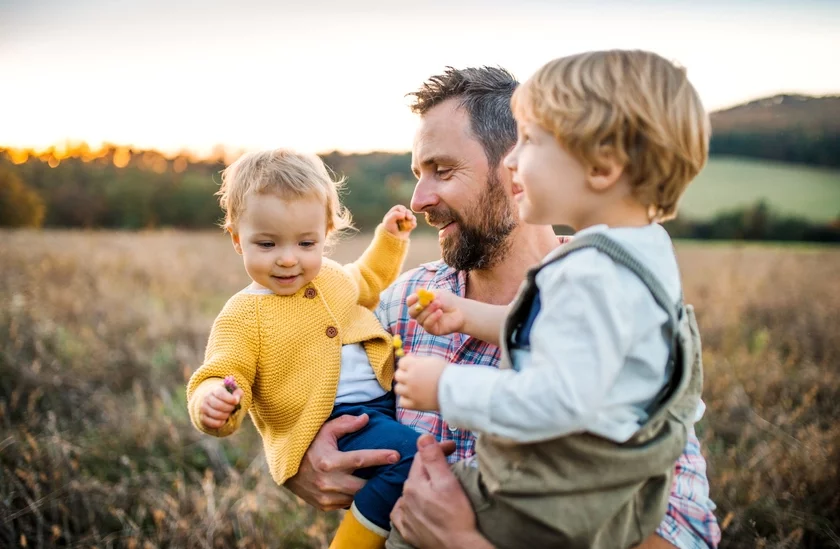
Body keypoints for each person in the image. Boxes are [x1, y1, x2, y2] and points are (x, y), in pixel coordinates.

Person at [285, 67, 722, 549]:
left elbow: (684, 530)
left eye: (443, 170)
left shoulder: (622, 305)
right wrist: (299, 460)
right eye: (418, 175)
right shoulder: (402, 304)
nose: (420, 200)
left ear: (514, 166)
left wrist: (462, 542)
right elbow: (316, 389)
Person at [185, 148, 421, 549]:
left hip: (383, 405)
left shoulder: (332, 278)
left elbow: (368, 277)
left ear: (327, 233)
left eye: (306, 243)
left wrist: (390, 238)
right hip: (335, 419)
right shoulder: (244, 313)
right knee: (413, 456)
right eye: (267, 244)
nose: (289, 259)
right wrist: (213, 402)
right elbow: (222, 370)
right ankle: (351, 543)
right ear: (237, 239)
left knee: (418, 460)